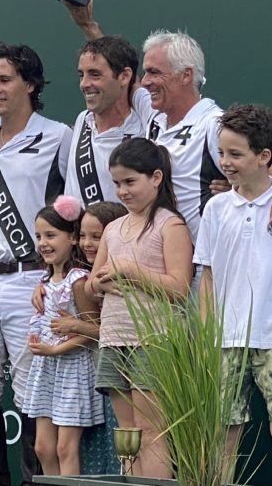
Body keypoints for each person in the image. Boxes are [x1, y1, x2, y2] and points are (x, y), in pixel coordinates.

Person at [64, 0, 272, 242]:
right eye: (145, 72)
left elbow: (267, 170)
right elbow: (118, 75)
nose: (145, 81)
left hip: (200, 267)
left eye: (155, 72)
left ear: (185, 75)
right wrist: (87, 25)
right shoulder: (154, 113)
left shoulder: (212, 124)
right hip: (159, 268)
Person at [0, 43, 72, 486]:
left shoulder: (58, 135)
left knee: (31, 396)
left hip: (30, 280)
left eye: (5, 80)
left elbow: (79, 205)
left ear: (31, 83)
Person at [194, 104, 272, 486]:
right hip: (224, 341)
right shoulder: (216, 208)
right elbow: (208, 279)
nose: (225, 163)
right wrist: (204, 337)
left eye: (235, 154)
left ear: (264, 157)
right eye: (221, 153)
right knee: (224, 435)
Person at [86, 138, 193, 478]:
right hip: (113, 337)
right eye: (117, 183)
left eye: (130, 182)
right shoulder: (114, 227)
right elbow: (92, 284)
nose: (122, 191)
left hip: (155, 340)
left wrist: (131, 272)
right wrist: (100, 283)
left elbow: (179, 287)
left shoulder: (169, 224)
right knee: (127, 435)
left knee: (152, 431)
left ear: (156, 177)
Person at [21, 196, 104, 475]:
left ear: (72, 238)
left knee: (65, 448)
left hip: (73, 371)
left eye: (51, 235)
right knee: (43, 448)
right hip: (46, 370)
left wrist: (58, 349)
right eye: (38, 236)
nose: (43, 242)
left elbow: (94, 331)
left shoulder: (78, 280)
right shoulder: (43, 283)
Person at [55, 201, 128, 474]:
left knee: (121, 447)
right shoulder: (79, 276)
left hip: (118, 379)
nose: (87, 243)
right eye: (82, 235)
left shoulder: (119, 276)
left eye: (96, 236)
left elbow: (111, 332)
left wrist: (77, 326)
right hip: (90, 382)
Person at [65, 36, 152, 207]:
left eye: (95, 75)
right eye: (81, 75)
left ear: (124, 76)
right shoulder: (82, 120)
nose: (84, 84)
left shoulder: (145, 131)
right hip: (78, 233)